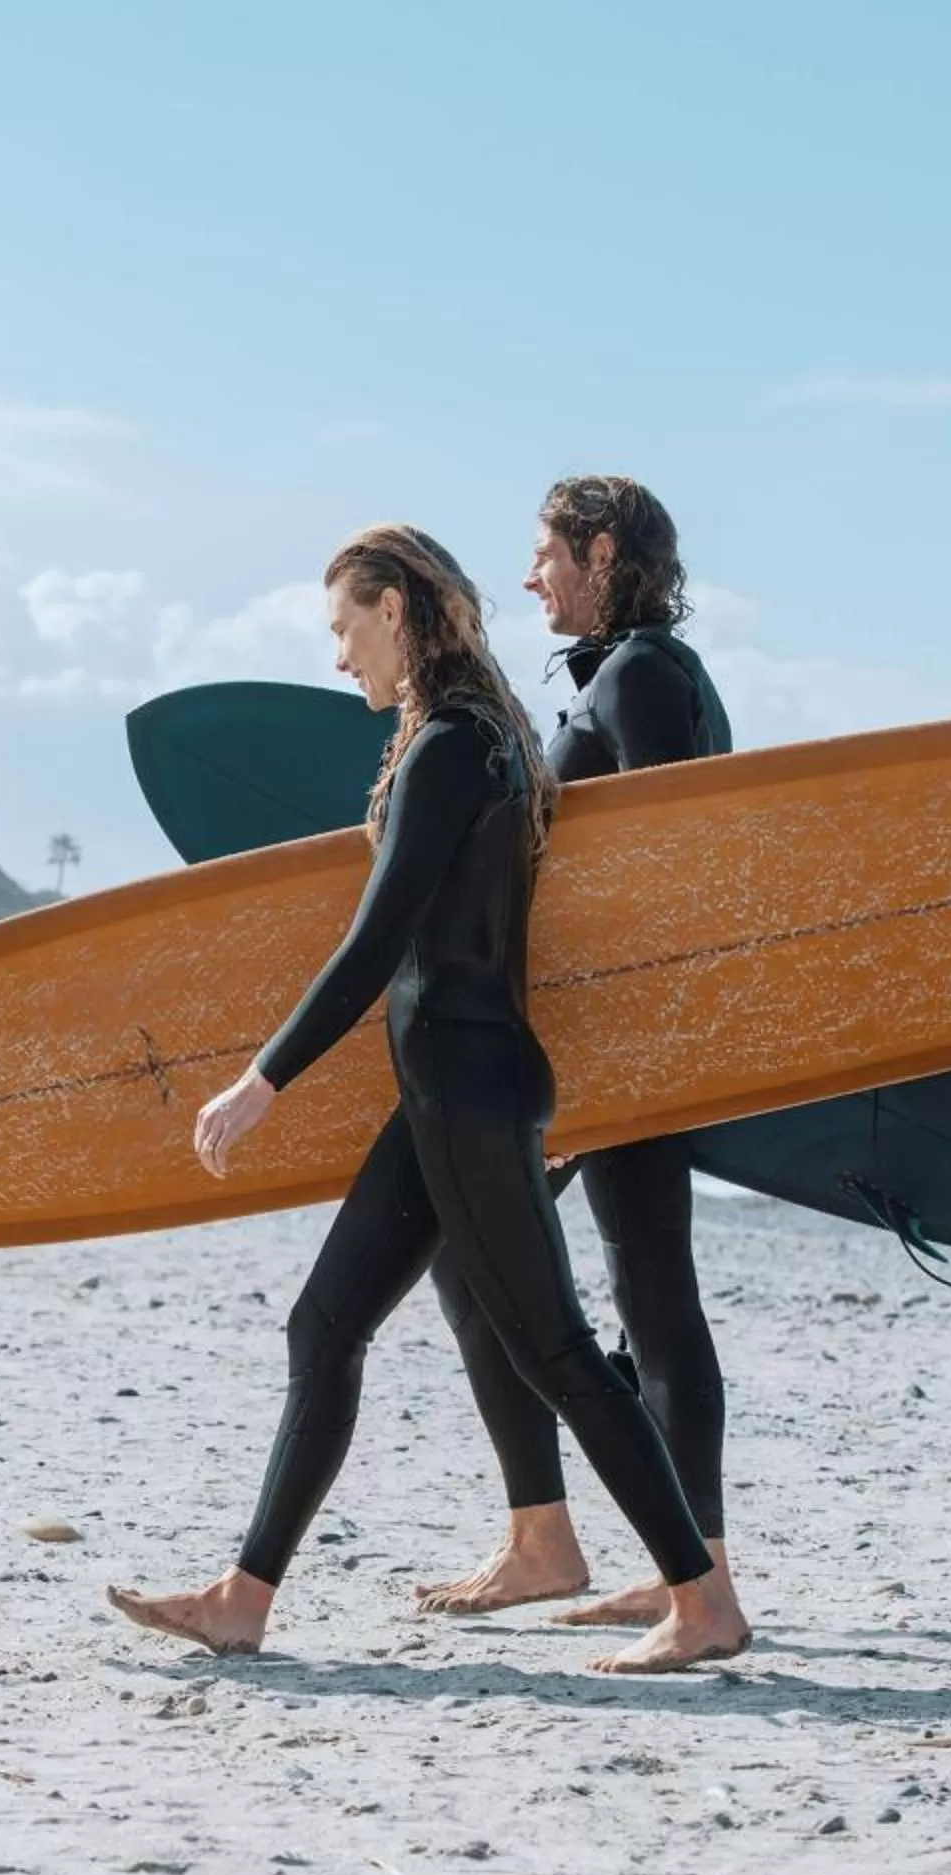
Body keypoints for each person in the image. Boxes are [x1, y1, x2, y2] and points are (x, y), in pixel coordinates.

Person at [105, 523, 750, 1674]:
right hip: (450, 1088)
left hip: (469, 1087)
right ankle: (243, 1595)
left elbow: (380, 935)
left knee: (556, 1347)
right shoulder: (480, 736)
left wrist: (264, 1078)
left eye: (347, 628)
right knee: (328, 1324)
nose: (341, 656)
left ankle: (702, 1599)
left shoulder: (456, 744)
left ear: (396, 612)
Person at [411, 476, 737, 1630]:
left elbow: (665, 853)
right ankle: (660, 1554)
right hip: (623, 1040)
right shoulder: (636, 674)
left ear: (600, 551)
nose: (530, 574)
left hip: (625, 1044)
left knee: (492, 1255)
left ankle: (565, 1541)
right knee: (644, 1288)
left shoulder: (646, 675)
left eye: (545, 551)